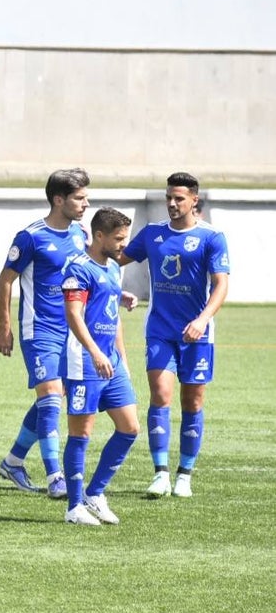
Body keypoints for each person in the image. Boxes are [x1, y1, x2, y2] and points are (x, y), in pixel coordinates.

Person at [119, 172, 230, 498]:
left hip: (198, 334)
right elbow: (114, 260)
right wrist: (116, 290)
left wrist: (203, 319)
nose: (171, 203)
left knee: (192, 401)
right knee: (160, 394)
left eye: (179, 198)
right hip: (160, 330)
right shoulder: (152, 234)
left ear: (194, 200)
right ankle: (160, 474)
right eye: (169, 197)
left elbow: (221, 284)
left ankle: (185, 474)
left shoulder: (212, 237)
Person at [0, 168, 90, 499]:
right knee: (51, 398)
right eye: (80, 198)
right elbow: (5, 280)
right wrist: (4, 327)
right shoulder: (31, 237)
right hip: (39, 330)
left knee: (51, 399)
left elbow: (85, 275)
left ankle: (13, 462)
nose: (86, 204)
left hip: (72, 331)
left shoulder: (81, 234)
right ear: (58, 199)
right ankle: (56, 477)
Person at [60, 208, 139, 526]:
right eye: (119, 239)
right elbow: (74, 315)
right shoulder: (78, 268)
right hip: (85, 361)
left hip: (112, 362)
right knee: (81, 433)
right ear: (100, 236)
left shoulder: (111, 269)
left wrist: (123, 360)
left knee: (130, 428)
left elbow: (109, 313)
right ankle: (74, 507)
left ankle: (95, 493)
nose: (124, 245)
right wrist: (94, 352)